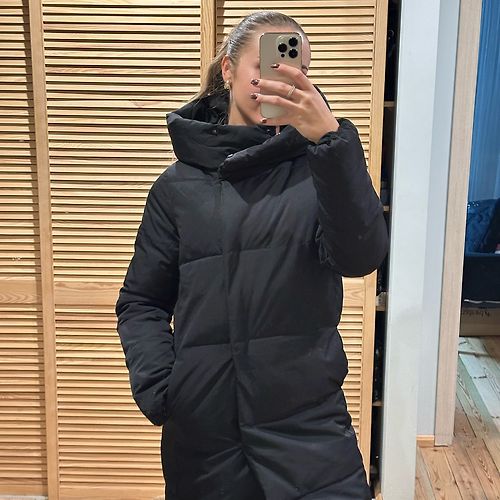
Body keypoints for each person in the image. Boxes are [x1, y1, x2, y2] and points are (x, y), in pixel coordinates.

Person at [115, 10, 389, 500]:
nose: (279, 81)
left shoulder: (321, 170)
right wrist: (165, 389)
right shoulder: (176, 188)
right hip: (206, 439)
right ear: (228, 69)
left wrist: (332, 142)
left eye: (295, 70)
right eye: (265, 67)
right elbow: (141, 301)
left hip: (309, 427)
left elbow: (360, 256)